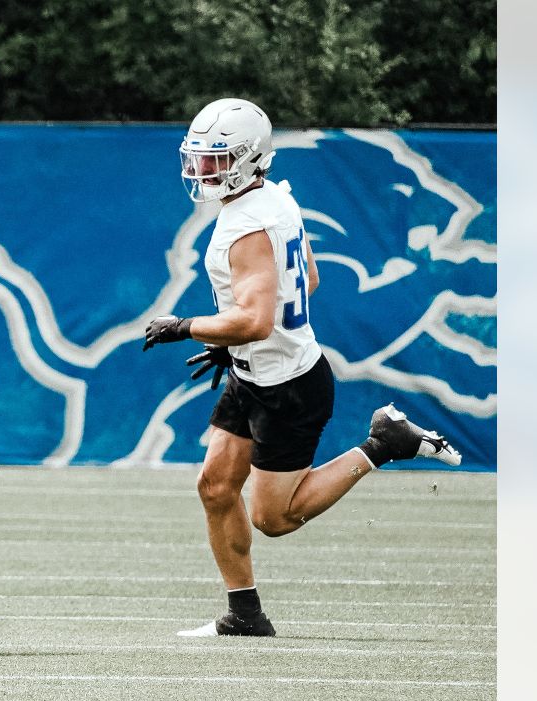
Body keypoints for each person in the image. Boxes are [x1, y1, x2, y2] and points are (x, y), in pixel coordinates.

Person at [143, 98, 462, 637]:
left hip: (288, 385)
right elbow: (307, 280)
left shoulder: (242, 227)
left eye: (215, 159)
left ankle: (385, 443)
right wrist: (230, 343)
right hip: (255, 374)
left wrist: (186, 326)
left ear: (247, 158)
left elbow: (257, 321)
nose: (200, 171)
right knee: (216, 486)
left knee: (276, 518)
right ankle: (244, 614)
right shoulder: (277, 199)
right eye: (198, 158)